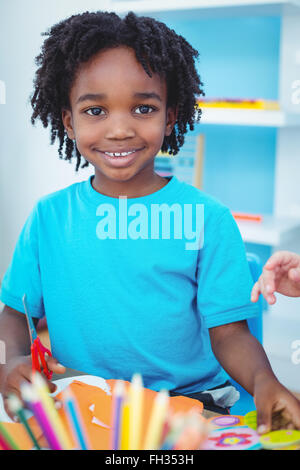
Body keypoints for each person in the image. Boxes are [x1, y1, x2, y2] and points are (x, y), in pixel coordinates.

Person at [0, 11, 300, 436]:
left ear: (170, 115)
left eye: (143, 108)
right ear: (69, 121)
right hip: (84, 405)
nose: (120, 129)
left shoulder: (208, 219)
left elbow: (231, 334)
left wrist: (265, 381)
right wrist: (10, 363)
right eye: (96, 110)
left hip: (188, 404)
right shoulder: (49, 218)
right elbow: (15, 314)